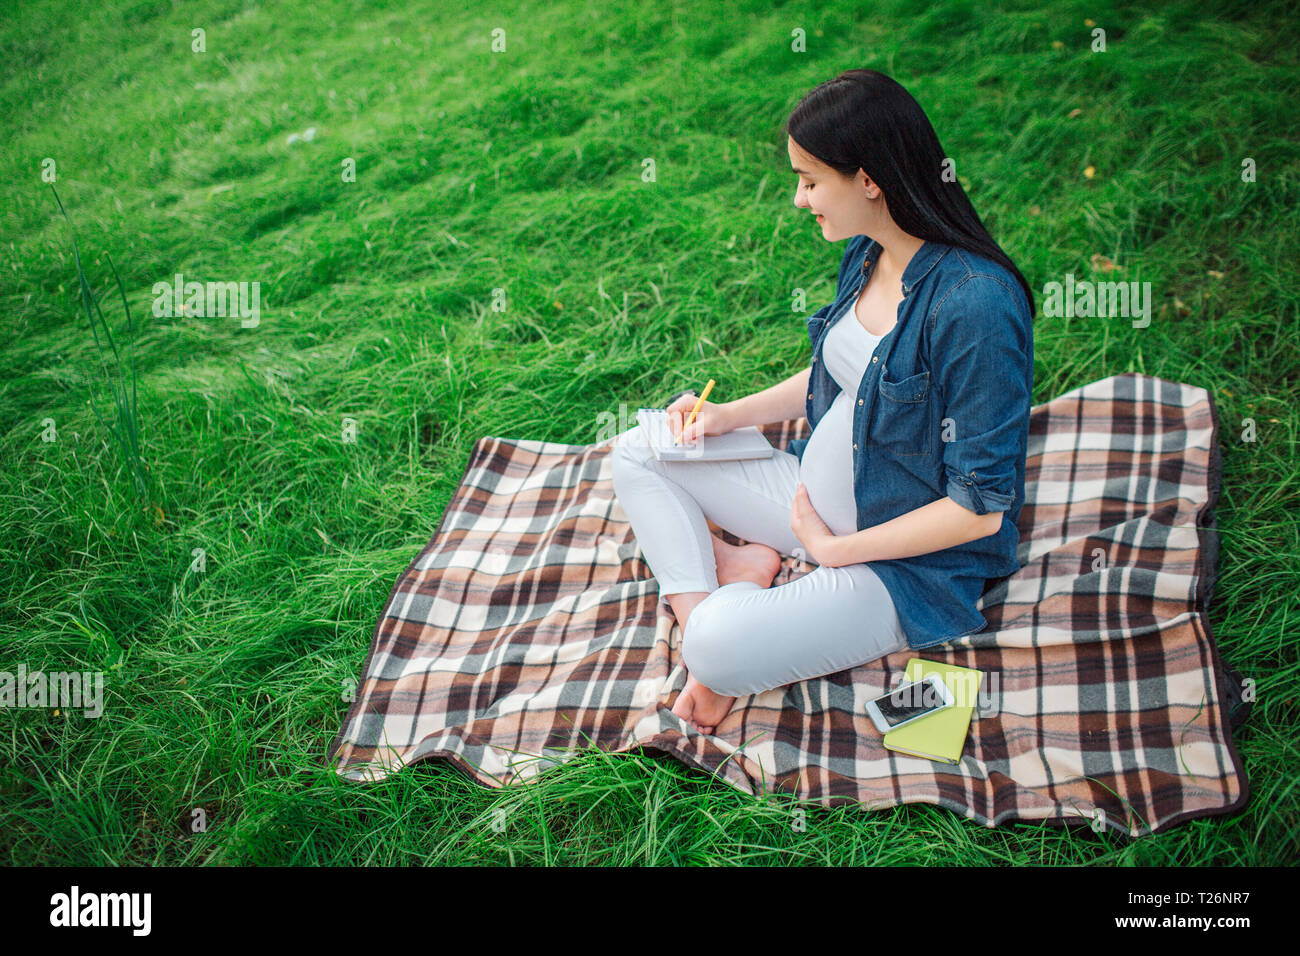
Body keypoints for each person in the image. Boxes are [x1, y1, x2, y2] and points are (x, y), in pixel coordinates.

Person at [609, 69, 1035, 736]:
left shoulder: (976, 305)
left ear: (869, 179)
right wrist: (729, 415)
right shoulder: (868, 254)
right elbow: (842, 370)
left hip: (896, 566)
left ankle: (714, 646)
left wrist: (838, 552)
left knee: (716, 642)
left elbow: (980, 511)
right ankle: (737, 594)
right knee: (640, 449)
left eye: (809, 181)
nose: (799, 200)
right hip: (812, 505)